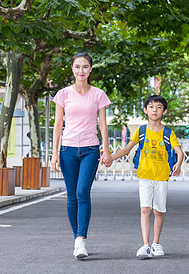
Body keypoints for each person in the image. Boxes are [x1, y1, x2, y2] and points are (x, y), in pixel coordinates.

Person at [50, 52, 113, 259]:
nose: (81, 71)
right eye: (77, 67)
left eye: (85, 67)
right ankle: (77, 238)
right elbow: (58, 124)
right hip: (67, 149)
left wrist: (106, 149)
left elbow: (103, 124)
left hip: (90, 149)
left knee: (82, 192)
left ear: (90, 69)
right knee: (71, 195)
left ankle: (81, 240)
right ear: (72, 69)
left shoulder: (98, 94)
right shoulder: (63, 94)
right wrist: (54, 153)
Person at [111, 95, 184, 259]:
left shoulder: (168, 132)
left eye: (159, 107)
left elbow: (179, 151)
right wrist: (111, 158)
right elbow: (126, 150)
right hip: (144, 176)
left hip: (161, 177)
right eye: (151, 107)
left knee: (158, 211)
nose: (154, 110)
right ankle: (145, 245)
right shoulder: (141, 131)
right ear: (145, 110)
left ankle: (156, 243)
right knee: (145, 209)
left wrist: (178, 164)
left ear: (164, 111)